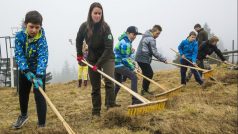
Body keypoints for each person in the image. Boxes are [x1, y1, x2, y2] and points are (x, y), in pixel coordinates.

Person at [76, 2, 118, 117]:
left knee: (109, 81)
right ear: (90, 13)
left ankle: (110, 107)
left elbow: (109, 48)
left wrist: (99, 64)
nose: (97, 16)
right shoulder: (84, 26)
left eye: (100, 13)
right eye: (95, 13)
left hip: (107, 57)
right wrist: (79, 55)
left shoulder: (105, 27)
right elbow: (78, 39)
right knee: (95, 86)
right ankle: (96, 111)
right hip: (92, 58)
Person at [13, 10, 48, 128]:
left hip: (38, 70)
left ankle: (42, 124)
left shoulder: (41, 38)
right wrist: (26, 70)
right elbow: (19, 54)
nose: (34, 30)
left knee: (40, 95)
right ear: (25, 24)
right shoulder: (19, 36)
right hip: (25, 70)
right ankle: (23, 116)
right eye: (31, 27)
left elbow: (43, 55)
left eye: (37, 27)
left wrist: (39, 75)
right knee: (23, 93)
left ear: (40, 27)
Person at [135, 25, 167, 95]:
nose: (158, 35)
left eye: (159, 34)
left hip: (140, 57)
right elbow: (154, 52)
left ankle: (144, 90)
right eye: (157, 33)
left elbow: (149, 50)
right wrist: (163, 59)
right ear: (153, 31)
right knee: (149, 73)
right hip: (143, 58)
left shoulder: (146, 36)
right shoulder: (150, 39)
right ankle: (144, 91)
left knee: (147, 74)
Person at [114, 26, 142, 105]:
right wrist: (133, 68)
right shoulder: (125, 43)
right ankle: (135, 100)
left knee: (118, 84)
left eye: (136, 35)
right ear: (128, 33)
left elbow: (127, 56)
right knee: (134, 77)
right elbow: (124, 59)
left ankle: (110, 102)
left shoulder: (127, 41)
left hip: (116, 64)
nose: (135, 37)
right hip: (118, 64)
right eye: (133, 34)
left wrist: (131, 54)